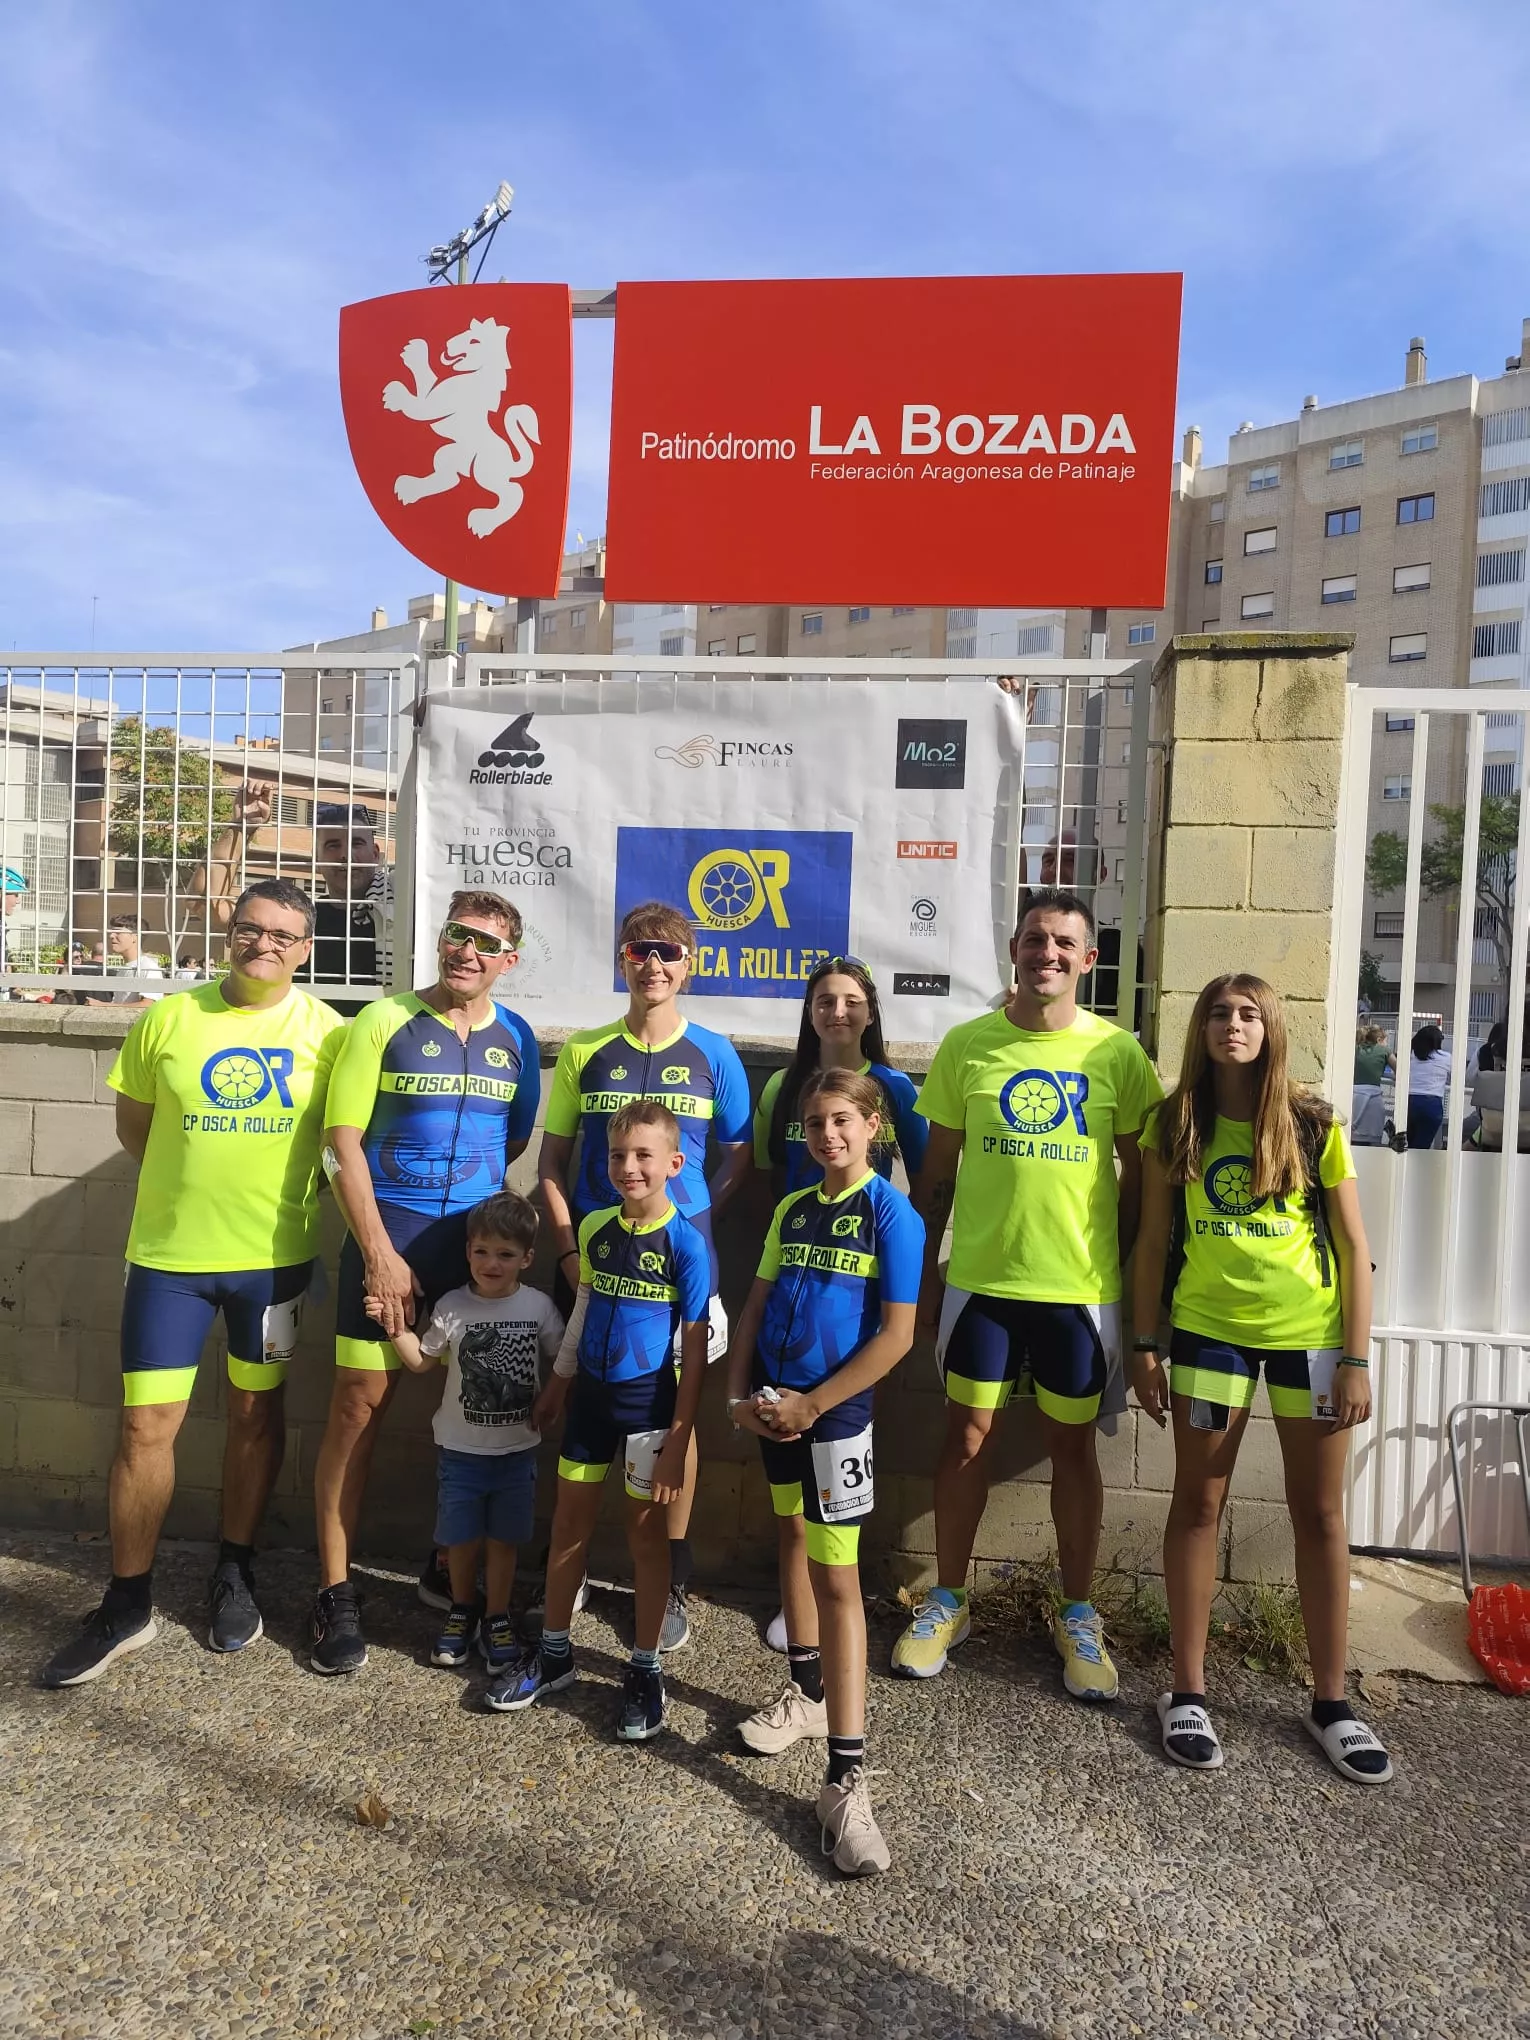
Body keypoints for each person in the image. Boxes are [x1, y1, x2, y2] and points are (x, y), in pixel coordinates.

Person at [40, 880, 344, 1687]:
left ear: (306, 949)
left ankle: (235, 1569)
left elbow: (342, 1143)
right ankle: (127, 1602)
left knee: (254, 1414)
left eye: (283, 935)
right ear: (229, 931)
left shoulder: (329, 1033)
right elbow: (135, 1128)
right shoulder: (168, 1019)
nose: (264, 944)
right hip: (169, 1263)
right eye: (251, 928)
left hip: (274, 1265)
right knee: (145, 1427)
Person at [890, 885, 1162, 1698]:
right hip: (981, 1285)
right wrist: (922, 1283)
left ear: (1089, 959)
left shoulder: (1118, 1054)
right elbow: (935, 1175)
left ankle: (1077, 1613)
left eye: (1064, 943)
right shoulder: (968, 1045)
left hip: (1078, 1290)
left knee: (1074, 1449)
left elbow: (1143, 1183)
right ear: (1014, 950)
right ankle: (949, 1599)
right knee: (966, 1440)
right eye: (1035, 939)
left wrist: (1131, 1287)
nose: (1048, 953)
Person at [1129, 973, 1391, 1784]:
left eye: (1248, 1014)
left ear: (1271, 1027)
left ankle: (1332, 1703)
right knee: (1197, 1506)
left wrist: (1356, 1359)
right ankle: (1187, 1693)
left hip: (1312, 1342)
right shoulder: (1174, 1121)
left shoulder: (1312, 1123)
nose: (1232, 1026)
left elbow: (1353, 1246)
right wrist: (1144, 1344)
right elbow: (1150, 1242)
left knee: (1320, 1514)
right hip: (1210, 1338)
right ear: (1201, 1029)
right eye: (1218, 1013)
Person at [309, 888, 540, 1676]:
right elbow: (340, 1142)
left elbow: (512, 1139)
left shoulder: (517, 1038)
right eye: (456, 934)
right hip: (392, 1238)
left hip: (474, 1251)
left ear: (508, 960)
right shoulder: (383, 1020)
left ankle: (451, 1566)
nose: (466, 951)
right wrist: (378, 1251)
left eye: (486, 942)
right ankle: (335, 1592)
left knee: (478, 1406)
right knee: (357, 1410)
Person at [537, 900, 752, 1650]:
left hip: (681, 1273)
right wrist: (569, 1252)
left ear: (689, 965)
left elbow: (739, 1158)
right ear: (622, 960)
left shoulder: (717, 1053)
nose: (652, 964)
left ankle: (671, 1574)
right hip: (596, 1264)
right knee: (587, 1402)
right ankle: (572, 1573)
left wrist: (690, 1218)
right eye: (638, 951)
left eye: (667, 952)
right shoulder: (585, 1049)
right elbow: (552, 1163)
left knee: (674, 1417)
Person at [729, 1069, 923, 1875]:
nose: (827, 1135)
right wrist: (739, 1394)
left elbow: (897, 1337)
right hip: (775, 1404)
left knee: (839, 1578)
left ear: (873, 1125)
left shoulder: (893, 1214)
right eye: (814, 1123)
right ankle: (806, 1694)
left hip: (834, 1414)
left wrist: (816, 1405)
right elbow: (754, 1305)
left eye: (842, 1120)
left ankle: (846, 1779)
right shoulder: (792, 1206)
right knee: (791, 1536)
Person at [489, 1100, 710, 1738]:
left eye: (644, 1155)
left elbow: (695, 1352)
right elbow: (585, 1307)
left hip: (649, 1410)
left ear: (675, 1163)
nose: (629, 1167)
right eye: (618, 1155)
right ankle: (555, 1652)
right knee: (568, 1528)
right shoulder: (594, 1228)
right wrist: (559, 1383)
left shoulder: (686, 1243)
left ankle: (644, 1668)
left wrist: (679, 1439)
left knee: (646, 1540)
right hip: (590, 1404)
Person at [370, 1190, 563, 1674]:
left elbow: (564, 1358)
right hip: (460, 1452)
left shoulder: (538, 1307)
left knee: (504, 1541)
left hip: (517, 1452)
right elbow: (422, 1361)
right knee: (459, 1540)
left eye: (505, 1254)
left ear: (527, 1258)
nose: (491, 1263)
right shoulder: (452, 1305)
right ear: (468, 1252)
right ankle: (462, 1609)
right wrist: (394, 1326)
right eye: (482, 1251)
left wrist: (555, 1397)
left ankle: (496, 1616)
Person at [754, 955, 928, 1196]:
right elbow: (760, 1179)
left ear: (870, 1013)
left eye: (852, 1002)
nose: (838, 1012)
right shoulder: (781, 1085)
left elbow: (924, 1181)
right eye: (826, 1002)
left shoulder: (897, 1087)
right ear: (810, 1013)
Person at [86, 914, 166, 1006]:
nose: (111, 935)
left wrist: (103, 1005)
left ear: (135, 937)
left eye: (118, 932)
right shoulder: (123, 969)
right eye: (112, 932)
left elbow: (148, 1004)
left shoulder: (148, 967)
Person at [1405, 1025, 1451, 1149]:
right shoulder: (1446, 1058)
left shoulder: (1410, 1055)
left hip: (1408, 1102)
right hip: (1431, 1104)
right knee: (1422, 1147)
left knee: (1405, 1145)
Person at [1350, 1025, 1394, 1148]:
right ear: (1379, 1040)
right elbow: (1399, 1069)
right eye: (1385, 1041)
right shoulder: (1384, 1051)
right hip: (1374, 1099)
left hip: (1354, 1097)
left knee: (1352, 1138)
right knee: (1373, 1140)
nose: (1386, 1044)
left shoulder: (1355, 1049)